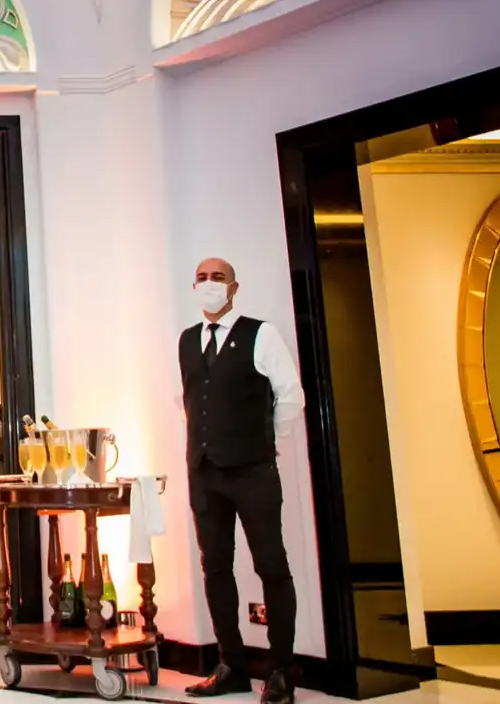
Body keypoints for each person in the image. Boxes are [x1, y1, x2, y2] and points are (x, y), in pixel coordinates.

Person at [181, 258, 305, 704]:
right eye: (201, 277)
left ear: (234, 287)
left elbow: (291, 395)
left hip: (253, 472)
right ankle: (230, 664)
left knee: (271, 566)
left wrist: (267, 441)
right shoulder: (187, 341)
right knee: (215, 568)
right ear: (192, 287)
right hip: (205, 473)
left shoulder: (261, 333)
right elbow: (194, 401)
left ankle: (281, 670)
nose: (209, 284)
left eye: (218, 277)